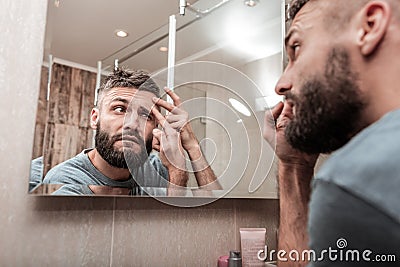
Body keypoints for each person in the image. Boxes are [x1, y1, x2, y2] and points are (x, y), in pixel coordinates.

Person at [263, 0, 400, 266]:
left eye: (296, 48)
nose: (281, 84)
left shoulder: (356, 182)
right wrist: (293, 165)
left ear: (369, 26)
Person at [43, 68, 220, 195]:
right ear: (95, 118)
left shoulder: (156, 168)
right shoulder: (65, 180)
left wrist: (192, 147)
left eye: (145, 115)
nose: (132, 124)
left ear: (155, 128)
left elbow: (220, 217)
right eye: (120, 109)